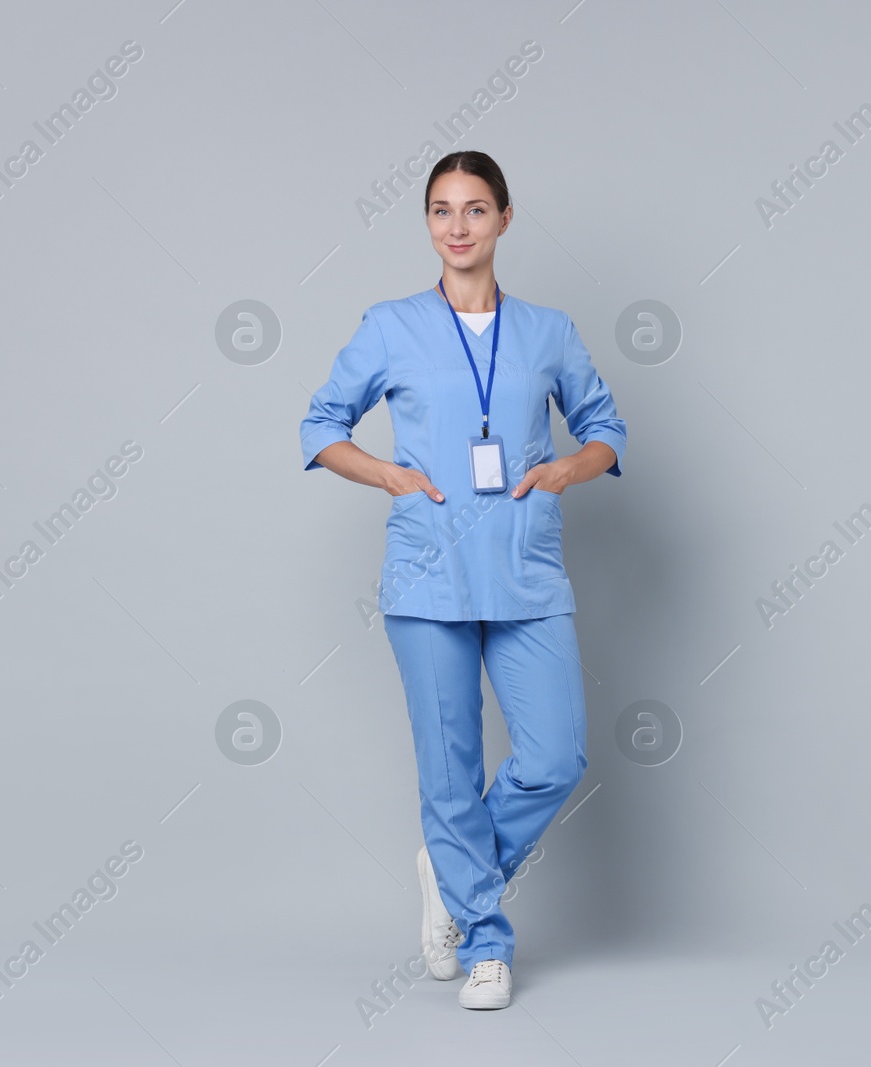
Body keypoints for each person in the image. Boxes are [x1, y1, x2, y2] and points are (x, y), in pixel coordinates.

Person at [298, 150, 627, 1010]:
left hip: (524, 569)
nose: (457, 227)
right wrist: (389, 475)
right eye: (441, 211)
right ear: (428, 224)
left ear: (505, 219)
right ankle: (485, 938)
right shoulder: (390, 325)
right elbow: (321, 423)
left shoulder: (548, 332)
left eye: (475, 210)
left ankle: (450, 867)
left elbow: (605, 427)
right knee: (449, 771)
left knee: (556, 753)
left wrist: (566, 470)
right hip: (427, 574)